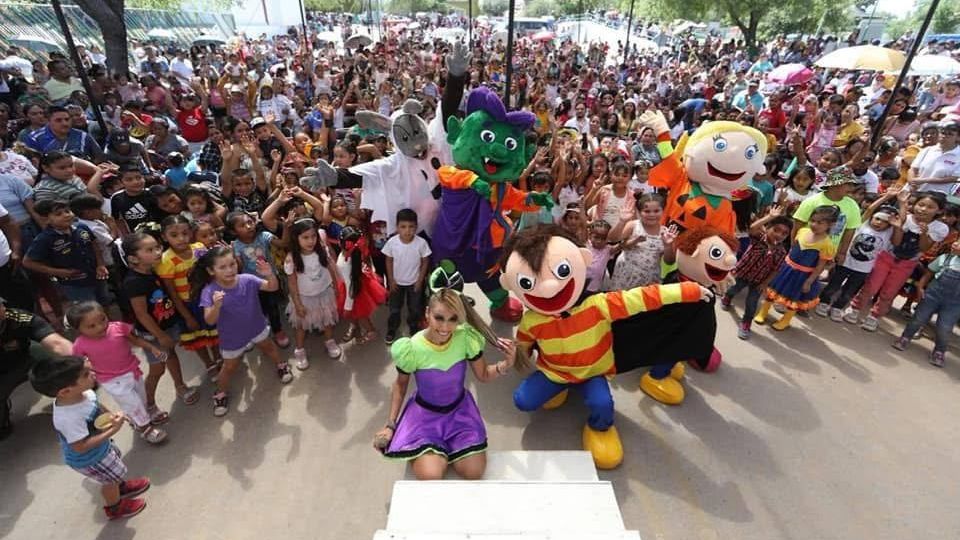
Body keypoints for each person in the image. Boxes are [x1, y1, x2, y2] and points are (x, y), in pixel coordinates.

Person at [373, 288, 517, 480]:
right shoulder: (412, 348)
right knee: (431, 475)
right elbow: (400, 385)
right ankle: (427, 449)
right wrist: (390, 425)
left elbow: (483, 374)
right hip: (424, 419)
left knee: (474, 472)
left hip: (460, 415)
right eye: (439, 317)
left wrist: (506, 364)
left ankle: (438, 451)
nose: (445, 327)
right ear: (427, 314)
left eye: (453, 319)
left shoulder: (466, 338)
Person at [29, 355, 151, 520]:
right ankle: (115, 507)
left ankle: (120, 486)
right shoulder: (68, 418)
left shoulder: (85, 393)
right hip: (90, 458)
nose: (93, 373)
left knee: (114, 471)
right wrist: (113, 430)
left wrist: (111, 415)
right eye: (86, 374)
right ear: (65, 391)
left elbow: (96, 405)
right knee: (109, 482)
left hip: (100, 447)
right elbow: (79, 447)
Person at [194, 246, 294, 417]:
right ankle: (220, 393)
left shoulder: (247, 279)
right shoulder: (209, 291)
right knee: (229, 367)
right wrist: (216, 306)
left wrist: (269, 273)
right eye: (222, 267)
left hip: (257, 326)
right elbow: (210, 320)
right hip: (232, 338)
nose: (229, 270)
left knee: (269, 347)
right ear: (211, 270)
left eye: (232, 264)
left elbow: (272, 287)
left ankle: (281, 365)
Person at [120, 233, 200, 422]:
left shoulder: (153, 271)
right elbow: (141, 314)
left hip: (168, 325)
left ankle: (180, 386)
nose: (157, 252)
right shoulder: (134, 282)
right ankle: (149, 404)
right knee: (157, 369)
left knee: (171, 355)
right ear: (133, 258)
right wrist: (160, 335)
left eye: (157, 247)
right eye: (149, 250)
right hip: (152, 334)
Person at [67, 302, 168, 444]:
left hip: (133, 372)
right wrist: (85, 377)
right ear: (78, 329)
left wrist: (152, 348)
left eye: (103, 319)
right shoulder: (80, 344)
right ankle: (146, 428)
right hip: (111, 381)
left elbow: (136, 340)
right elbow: (79, 363)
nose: (101, 326)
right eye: (92, 326)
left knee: (141, 398)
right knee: (133, 404)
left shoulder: (118, 327)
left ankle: (139, 418)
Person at [851, 190, 950, 331]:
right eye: (921, 204)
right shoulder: (905, 218)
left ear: (939, 211)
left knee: (889, 291)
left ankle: (875, 316)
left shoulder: (940, 228)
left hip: (907, 264)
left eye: (930, 207)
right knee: (871, 285)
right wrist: (900, 218)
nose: (923, 209)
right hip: (887, 257)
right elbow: (896, 242)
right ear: (914, 205)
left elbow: (924, 247)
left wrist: (924, 233)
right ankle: (856, 307)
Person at [818, 190, 905, 323]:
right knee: (833, 285)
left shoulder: (888, 234)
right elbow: (870, 209)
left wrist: (899, 218)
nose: (879, 223)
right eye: (877, 218)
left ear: (889, 225)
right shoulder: (862, 224)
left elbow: (898, 239)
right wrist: (887, 197)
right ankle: (824, 302)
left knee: (849, 291)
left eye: (884, 222)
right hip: (845, 262)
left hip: (863, 270)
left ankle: (837, 307)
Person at [156, 215, 222, 380]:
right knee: (196, 336)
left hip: (207, 299)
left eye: (185, 233)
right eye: (174, 235)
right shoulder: (166, 260)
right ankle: (209, 364)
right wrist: (186, 315)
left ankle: (218, 358)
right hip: (187, 305)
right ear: (164, 237)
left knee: (213, 332)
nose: (181, 239)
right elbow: (172, 293)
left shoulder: (199, 248)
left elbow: (210, 273)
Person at [755, 205, 840, 331]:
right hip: (786, 268)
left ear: (831, 224)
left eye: (820, 223)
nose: (814, 224)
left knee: (794, 299)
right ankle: (763, 312)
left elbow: (820, 266)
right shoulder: (802, 231)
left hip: (802, 276)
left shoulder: (827, 244)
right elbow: (793, 248)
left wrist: (809, 281)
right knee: (772, 291)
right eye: (813, 220)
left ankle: (785, 320)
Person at [0, 298, 74, 439]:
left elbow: (56, 343)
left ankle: (75, 395)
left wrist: (81, 360)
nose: (2, 309)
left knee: (61, 364)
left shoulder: (17, 317)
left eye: (1, 304)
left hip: (25, 358)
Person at [720, 207, 792, 339]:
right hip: (743, 273)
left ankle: (746, 323)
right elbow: (752, 227)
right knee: (733, 289)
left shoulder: (781, 251)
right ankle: (727, 298)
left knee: (752, 303)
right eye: (776, 230)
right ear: (768, 228)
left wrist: (765, 283)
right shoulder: (759, 238)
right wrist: (769, 216)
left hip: (759, 281)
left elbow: (776, 269)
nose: (779, 235)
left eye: (784, 233)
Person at [23, 199, 110, 306]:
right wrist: (58, 272)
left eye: (67, 211)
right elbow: (28, 262)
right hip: (74, 283)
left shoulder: (81, 227)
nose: (66, 215)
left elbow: (94, 244)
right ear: (46, 219)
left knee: (105, 302)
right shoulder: (44, 239)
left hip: (96, 275)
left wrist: (100, 265)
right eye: (58, 214)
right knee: (89, 308)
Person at [284, 218, 342, 369]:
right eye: (305, 237)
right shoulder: (292, 259)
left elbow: (331, 268)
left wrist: (336, 287)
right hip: (304, 298)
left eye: (313, 236)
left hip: (324, 292)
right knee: (302, 325)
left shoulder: (322, 251)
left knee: (327, 319)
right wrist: (297, 304)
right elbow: (291, 282)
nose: (310, 241)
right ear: (296, 239)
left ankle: (329, 341)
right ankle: (300, 349)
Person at [892, 238, 960, 367]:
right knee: (918, 318)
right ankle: (905, 337)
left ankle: (939, 351)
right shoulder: (945, 258)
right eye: (956, 241)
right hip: (933, 296)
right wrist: (920, 288)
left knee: (944, 327)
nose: (955, 243)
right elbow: (928, 274)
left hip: (955, 303)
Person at [228, 211, 290, 348]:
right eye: (242, 225)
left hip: (270, 280)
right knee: (256, 309)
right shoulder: (236, 246)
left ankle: (277, 330)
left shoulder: (263, 236)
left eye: (250, 222)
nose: (249, 226)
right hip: (251, 285)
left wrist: (286, 227)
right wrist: (231, 256)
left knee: (273, 307)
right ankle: (257, 330)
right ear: (233, 232)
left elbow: (284, 243)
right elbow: (239, 268)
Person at [382, 209, 431, 344]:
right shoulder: (392, 242)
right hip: (396, 283)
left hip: (414, 283)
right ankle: (392, 328)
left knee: (414, 308)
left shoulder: (421, 243)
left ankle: (414, 327)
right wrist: (391, 280)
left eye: (411, 227)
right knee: (394, 308)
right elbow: (388, 260)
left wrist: (420, 281)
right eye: (403, 227)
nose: (407, 231)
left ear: (416, 227)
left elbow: (425, 261)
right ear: (397, 227)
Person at [607, 193, 673, 289]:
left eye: (656, 211)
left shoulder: (666, 233)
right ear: (639, 212)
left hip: (649, 279)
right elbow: (613, 239)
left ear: (663, 211)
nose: (652, 215)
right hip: (625, 275)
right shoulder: (633, 226)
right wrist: (622, 221)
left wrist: (668, 246)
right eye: (647, 211)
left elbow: (669, 261)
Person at [337, 226, 387, 344]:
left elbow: (350, 289)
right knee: (357, 314)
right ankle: (354, 327)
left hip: (353, 291)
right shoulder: (355, 253)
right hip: (358, 284)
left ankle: (371, 331)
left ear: (340, 242)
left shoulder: (344, 264)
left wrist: (347, 308)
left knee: (361, 315)